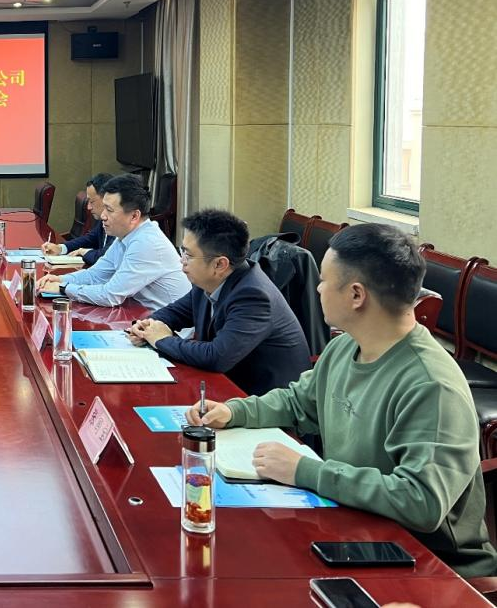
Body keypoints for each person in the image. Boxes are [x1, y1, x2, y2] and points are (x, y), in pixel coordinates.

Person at [186, 224, 497, 578]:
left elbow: (421, 501)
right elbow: (299, 402)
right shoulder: (346, 346)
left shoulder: (431, 385)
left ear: (356, 295)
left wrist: (304, 471)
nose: (318, 288)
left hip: (429, 567)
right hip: (351, 530)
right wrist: (234, 411)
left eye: (324, 280)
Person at [127, 209, 311, 395]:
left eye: (188, 255)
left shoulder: (253, 297)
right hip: (225, 386)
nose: (181, 261)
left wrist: (161, 339)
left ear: (220, 264)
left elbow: (216, 356)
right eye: (182, 251)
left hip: (263, 399)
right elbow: (175, 313)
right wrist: (146, 327)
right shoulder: (207, 281)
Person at [36, 174, 189, 310]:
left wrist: (63, 288)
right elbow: (96, 275)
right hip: (141, 315)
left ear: (134, 216)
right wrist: (61, 279)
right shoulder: (126, 236)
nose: (103, 216)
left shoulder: (146, 243)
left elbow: (110, 295)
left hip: (169, 328)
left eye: (109, 210)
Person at [42, 173, 114, 267]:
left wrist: (84, 252)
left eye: (92, 202)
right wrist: (60, 248)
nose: (88, 207)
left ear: (107, 199)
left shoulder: (120, 225)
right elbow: (90, 239)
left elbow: (106, 257)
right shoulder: (103, 220)